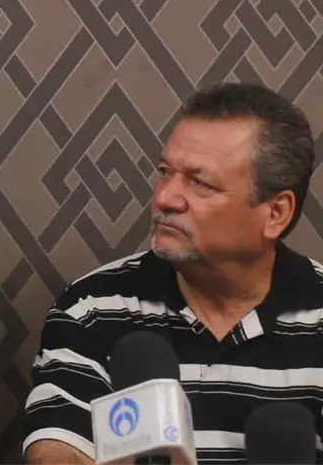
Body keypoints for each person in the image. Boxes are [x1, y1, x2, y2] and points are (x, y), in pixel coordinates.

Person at [23, 82, 323, 464]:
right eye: (165, 172)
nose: (164, 198)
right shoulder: (93, 308)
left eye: (200, 182)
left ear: (275, 213)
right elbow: (58, 452)